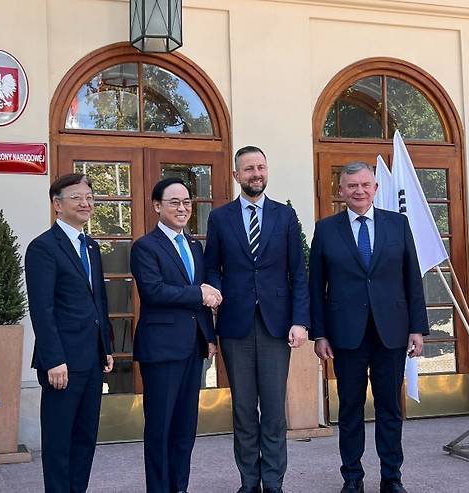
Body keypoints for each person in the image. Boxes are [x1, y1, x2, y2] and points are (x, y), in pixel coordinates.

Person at [309, 162, 428, 493]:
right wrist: (319, 333)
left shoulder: (397, 224)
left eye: (365, 185)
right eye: (351, 186)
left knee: (390, 407)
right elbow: (316, 286)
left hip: (392, 331)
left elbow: (412, 278)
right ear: (341, 191)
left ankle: (392, 477)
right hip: (346, 333)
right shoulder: (326, 229)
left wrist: (417, 328)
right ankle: (352, 478)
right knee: (350, 408)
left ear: (375, 188)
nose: (359, 191)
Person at [205, 146, 310, 493]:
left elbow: (298, 272)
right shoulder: (220, 218)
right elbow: (212, 267)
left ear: (267, 171)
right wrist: (215, 293)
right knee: (244, 409)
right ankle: (249, 482)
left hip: (276, 326)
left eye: (261, 167)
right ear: (236, 175)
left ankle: (274, 482)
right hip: (235, 325)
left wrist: (300, 321)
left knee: (275, 410)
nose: (256, 174)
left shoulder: (285, 216)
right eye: (248, 169)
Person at [25, 173, 114, 493]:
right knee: (59, 441)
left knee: (85, 438)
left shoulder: (90, 246)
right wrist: (53, 359)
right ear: (57, 205)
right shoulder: (43, 248)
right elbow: (42, 309)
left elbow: (98, 300)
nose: (85, 203)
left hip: (91, 359)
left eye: (89, 197)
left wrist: (106, 347)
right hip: (62, 362)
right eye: (76, 197)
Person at [131, 177, 219, 493]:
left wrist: (209, 336)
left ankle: (179, 487)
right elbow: (154, 291)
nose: (182, 208)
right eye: (174, 202)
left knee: (185, 427)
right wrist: (199, 294)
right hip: (161, 349)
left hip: (193, 347)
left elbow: (201, 296)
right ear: (157, 206)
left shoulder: (195, 245)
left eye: (186, 202)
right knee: (161, 427)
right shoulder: (145, 246)